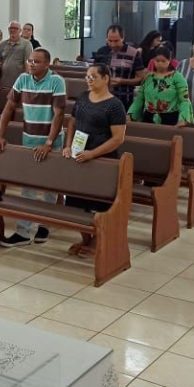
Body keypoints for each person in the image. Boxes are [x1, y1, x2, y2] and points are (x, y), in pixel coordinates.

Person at [0, 48, 67, 247]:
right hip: (29, 139)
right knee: (27, 187)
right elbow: (9, 108)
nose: (32, 64)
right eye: (30, 61)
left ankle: (44, 225)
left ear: (47, 64)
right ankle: (23, 232)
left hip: (51, 142)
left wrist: (48, 143)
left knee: (49, 186)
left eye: (37, 61)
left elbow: (59, 115)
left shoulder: (56, 81)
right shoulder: (23, 79)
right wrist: (0, 135)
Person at [62, 63, 127, 258]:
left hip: (102, 159)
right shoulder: (83, 97)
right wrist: (68, 146)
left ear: (106, 78)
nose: (89, 80)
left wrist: (93, 154)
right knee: (75, 201)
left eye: (93, 77)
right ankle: (86, 238)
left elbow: (118, 138)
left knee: (99, 203)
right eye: (87, 77)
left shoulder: (114, 105)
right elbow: (72, 122)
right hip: (79, 155)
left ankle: (98, 240)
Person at [128, 46, 193, 126]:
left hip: (171, 119)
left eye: (163, 61)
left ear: (169, 61)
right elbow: (139, 99)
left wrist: (183, 118)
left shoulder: (177, 77)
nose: (160, 63)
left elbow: (184, 100)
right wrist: (130, 114)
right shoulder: (148, 77)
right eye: (157, 61)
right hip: (148, 118)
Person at [90, 24, 145, 110]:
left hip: (124, 99)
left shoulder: (133, 53)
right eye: (110, 41)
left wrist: (122, 81)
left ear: (122, 38)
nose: (113, 44)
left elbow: (141, 79)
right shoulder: (101, 52)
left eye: (116, 41)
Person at [0, 21, 33, 111]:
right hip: (3, 84)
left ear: (20, 30)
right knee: (2, 109)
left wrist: (25, 85)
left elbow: (28, 66)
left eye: (15, 28)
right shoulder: (2, 44)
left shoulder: (26, 44)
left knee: (15, 111)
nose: (13, 30)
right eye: (11, 28)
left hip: (18, 85)